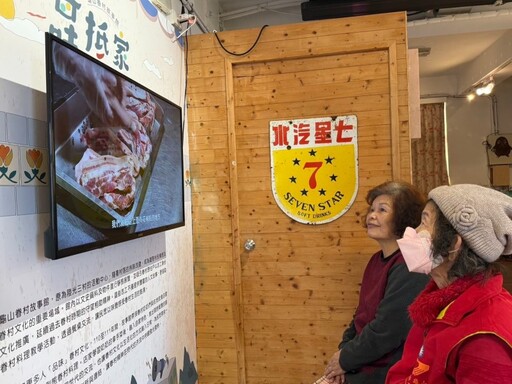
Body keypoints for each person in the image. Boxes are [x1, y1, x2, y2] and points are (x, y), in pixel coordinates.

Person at [386, 184, 512, 384]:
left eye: (424, 223)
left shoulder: (485, 338)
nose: (413, 232)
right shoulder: (440, 304)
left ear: (454, 244)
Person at [324, 181, 430, 384]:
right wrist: (342, 353)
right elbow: (360, 315)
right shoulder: (375, 260)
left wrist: (345, 360)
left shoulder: (409, 264)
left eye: (382, 210)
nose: (372, 215)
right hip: (362, 361)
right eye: (372, 209)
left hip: (388, 369)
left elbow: (389, 329)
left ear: (402, 216)